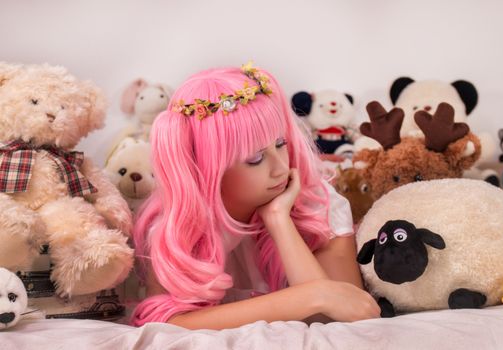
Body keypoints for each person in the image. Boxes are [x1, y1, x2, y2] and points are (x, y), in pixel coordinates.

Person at [131, 62, 380, 329]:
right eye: (255, 158)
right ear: (207, 169)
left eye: (281, 144)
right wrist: (312, 295)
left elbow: (349, 314)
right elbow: (168, 324)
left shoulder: (318, 202)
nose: (281, 168)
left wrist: (279, 221)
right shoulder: (174, 226)